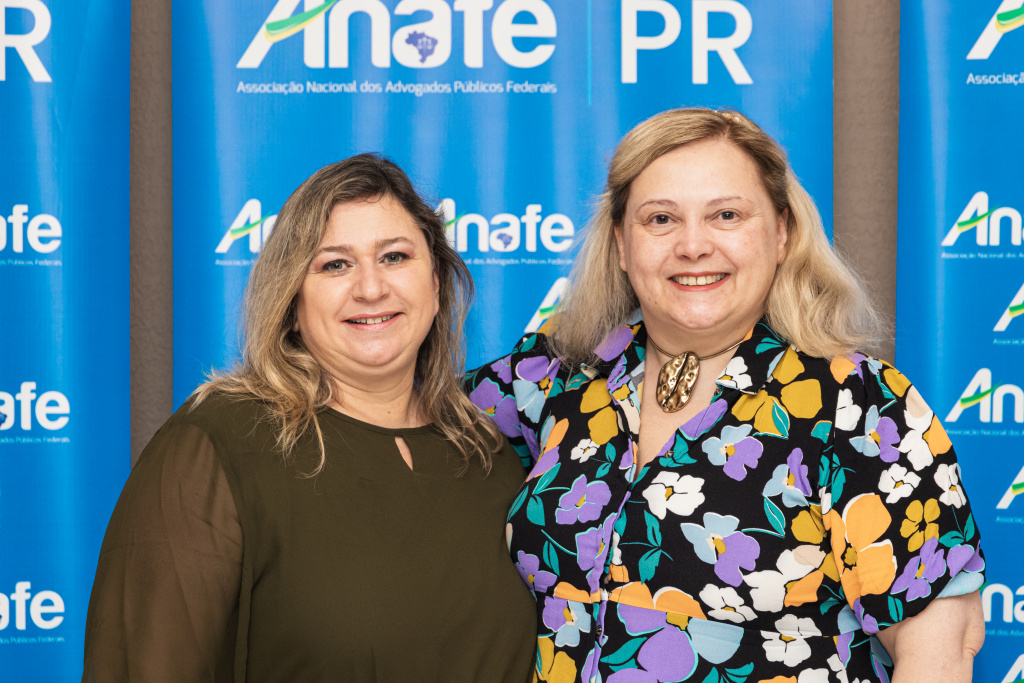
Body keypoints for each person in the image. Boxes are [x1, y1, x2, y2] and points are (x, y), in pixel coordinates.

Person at [466, 109, 985, 683]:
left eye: (726, 215)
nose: (693, 245)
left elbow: (940, 650)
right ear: (621, 243)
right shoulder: (553, 378)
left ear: (782, 233)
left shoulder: (857, 404)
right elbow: (410, 417)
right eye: (661, 219)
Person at [83, 154, 536, 682]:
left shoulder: (488, 452)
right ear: (292, 300)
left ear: (435, 285)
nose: (371, 288)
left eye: (394, 256)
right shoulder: (216, 446)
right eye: (334, 265)